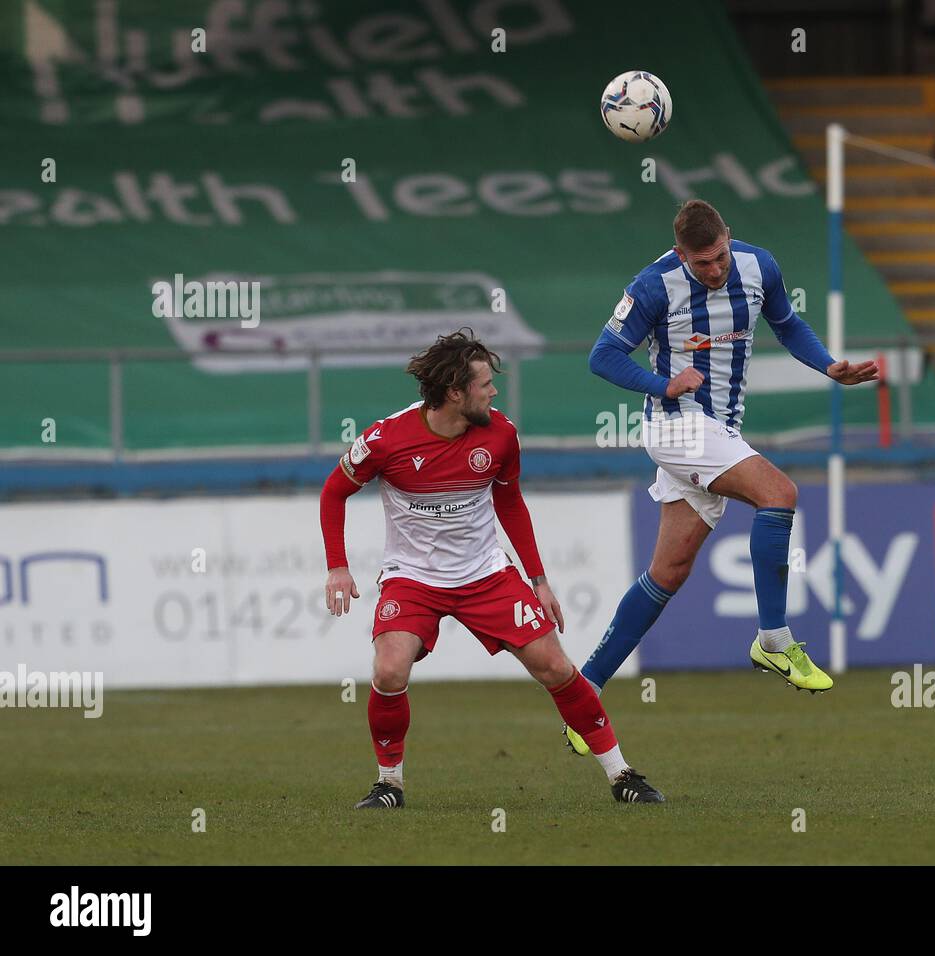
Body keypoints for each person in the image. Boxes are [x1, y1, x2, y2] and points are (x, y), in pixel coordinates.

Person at [566, 199, 879, 755]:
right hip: (676, 426)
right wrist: (661, 384)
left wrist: (828, 365)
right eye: (701, 264)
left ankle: (584, 692)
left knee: (668, 572)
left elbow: (787, 323)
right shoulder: (653, 285)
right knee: (779, 493)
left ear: (729, 238)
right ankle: (773, 639)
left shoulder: (761, 267)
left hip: (721, 430)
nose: (714, 271)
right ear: (680, 254)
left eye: (720, 258)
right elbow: (602, 356)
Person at [319, 329, 663, 804]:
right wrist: (337, 566)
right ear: (455, 392)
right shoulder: (386, 439)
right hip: (413, 580)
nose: (494, 391)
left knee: (557, 668)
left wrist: (538, 580)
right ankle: (389, 784)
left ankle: (622, 775)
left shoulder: (500, 434)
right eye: (485, 383)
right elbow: (333, 490)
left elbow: (510, 502)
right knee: (389, 671)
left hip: (486, 576)